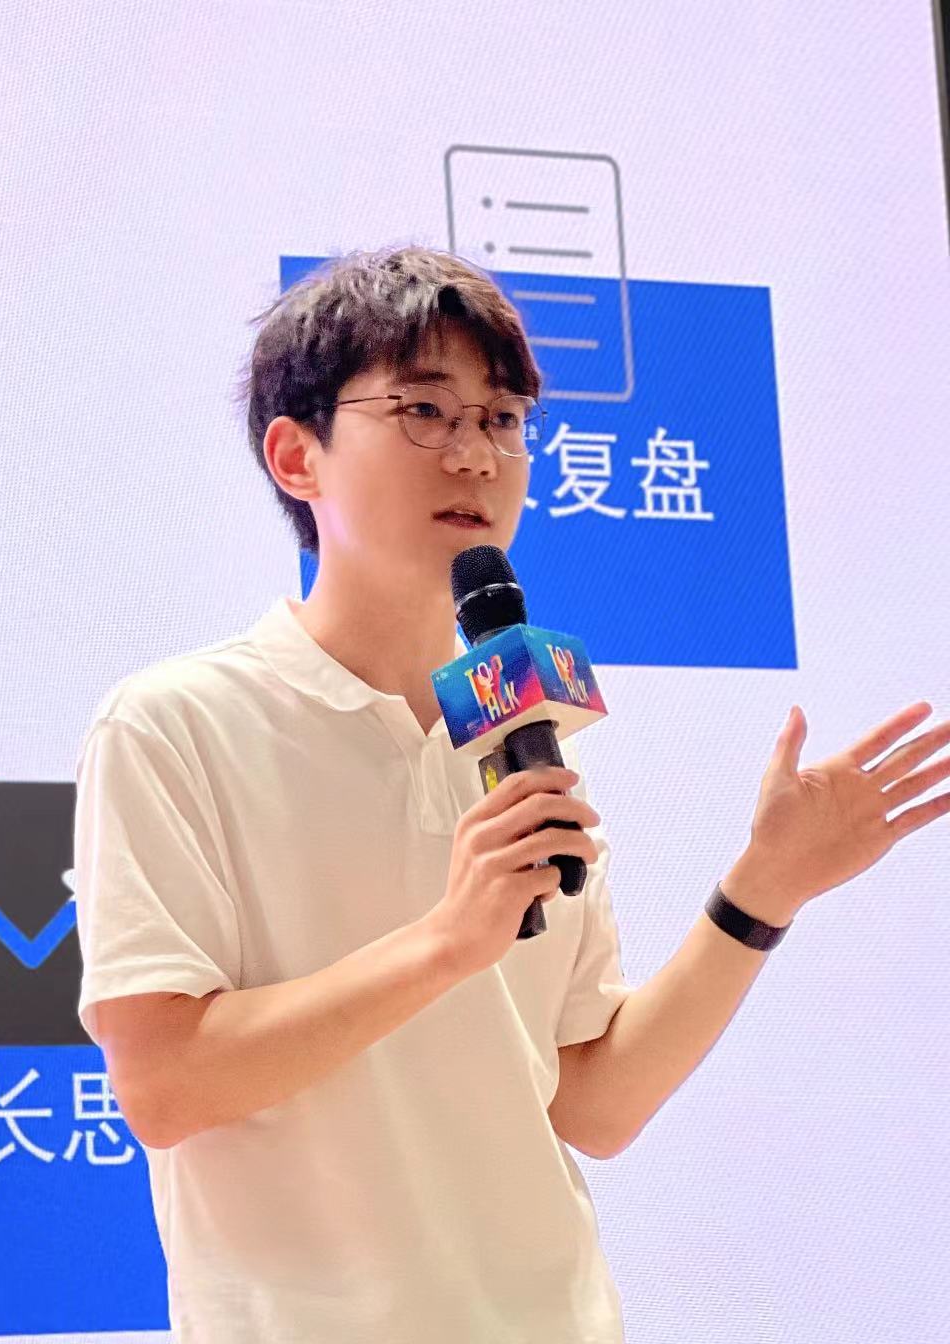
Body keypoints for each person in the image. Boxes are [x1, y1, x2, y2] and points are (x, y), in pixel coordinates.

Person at [73, 244, 950, 1343]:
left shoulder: (518, 719)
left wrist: (765, 888)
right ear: (298, 456)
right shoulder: (174, 724)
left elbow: (596, 1101)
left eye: (501, 420)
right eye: (424, 412)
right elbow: (164, 1086)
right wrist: (448, 941)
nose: (476, 455)